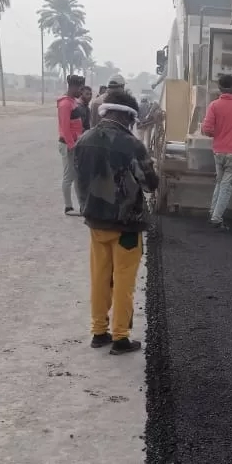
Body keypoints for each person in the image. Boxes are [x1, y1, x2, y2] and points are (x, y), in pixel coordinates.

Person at [74, 89, 159, 355]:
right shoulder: (131, 145)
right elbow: (149, 185)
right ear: (127, 116)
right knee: (123, 281)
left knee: (99, 277)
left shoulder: (84, 139)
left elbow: (79, 180)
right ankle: (120, 337)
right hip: (126, 227)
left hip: (95, 222)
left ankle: (99, 332)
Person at [202, 74, 232, 230]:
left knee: (220, 183)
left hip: (218, 151)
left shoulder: (214, 105)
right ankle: (216, 218)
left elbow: (207, 130)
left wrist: (219, 134)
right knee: (227, 185)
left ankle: (212, 212)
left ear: (219, 88)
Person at [57, 74, 85, 214]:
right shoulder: (65, 104)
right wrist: (71, 144)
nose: (81, 91)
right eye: (80, 88)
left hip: (75, 143)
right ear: (73, 87)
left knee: (76, 176)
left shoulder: (73, 101)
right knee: (69, 176)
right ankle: (68, 207)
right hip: (68, 145)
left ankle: (82, 206)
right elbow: (65, 127)